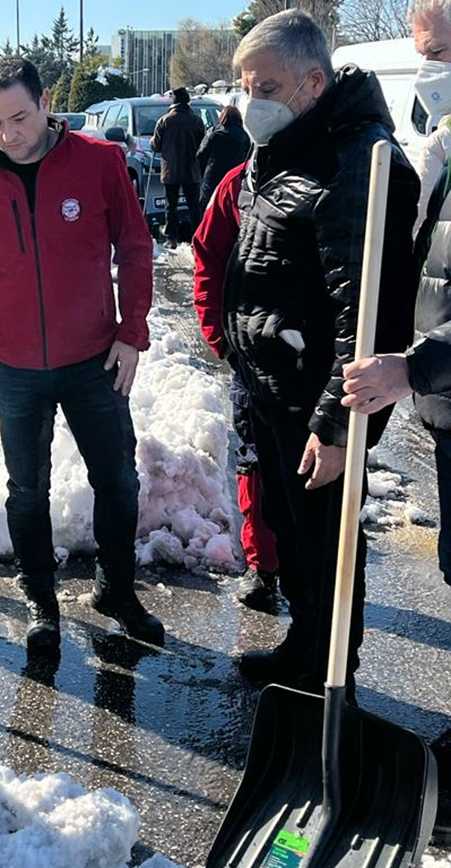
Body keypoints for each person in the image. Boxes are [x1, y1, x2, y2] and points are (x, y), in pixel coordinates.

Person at [225, 10, 419, 695]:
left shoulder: (357, 160)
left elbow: (367, 313)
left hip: (319, 400)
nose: (253, 102)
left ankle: (332, 678)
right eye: (246, 85)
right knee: (290, 530)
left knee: (325, 543)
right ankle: (306, 646)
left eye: (266, 86)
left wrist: (338, 428)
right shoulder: (283, 147)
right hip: (274, 385)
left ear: (313, 80)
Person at [0, 57, 166, 652]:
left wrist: (132, 331)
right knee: (26, 489)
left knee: (117, 481)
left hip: (93, 358)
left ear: (46, 103)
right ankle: (41, 601)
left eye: (19, 117)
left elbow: (136, 245)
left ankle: (116, 589)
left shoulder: (99, 164)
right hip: (15, 367)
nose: (9, 134)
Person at [343, 0, 451, 840]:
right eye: (425, 57)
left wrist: (413, 367)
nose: (431, 74)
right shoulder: (441, 146)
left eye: (443, 53)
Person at [193, 164, 280, 610]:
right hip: (252, 361)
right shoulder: (240, 183)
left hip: (322, 362)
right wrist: (222, 340)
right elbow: (207, 255)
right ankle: (263, 569)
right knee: (256, 462)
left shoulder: (344, 167)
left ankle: (320, 584)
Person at [150, 86, 205, 248]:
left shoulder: (165, 120)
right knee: (194, 205)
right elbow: (203, 143)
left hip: (170, 169)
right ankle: (199, 238)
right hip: (191, 169)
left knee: (171, 205)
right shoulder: (196, 120)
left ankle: (171, 238)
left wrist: (154, 144)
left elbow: (156, 145)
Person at [196, 105, 250, 211]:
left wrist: (202, 172)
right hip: (235, 177)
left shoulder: (214, 133)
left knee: (209, 207)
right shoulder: (244, 136)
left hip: (213, 176)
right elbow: (248, 158)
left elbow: (201, 154)